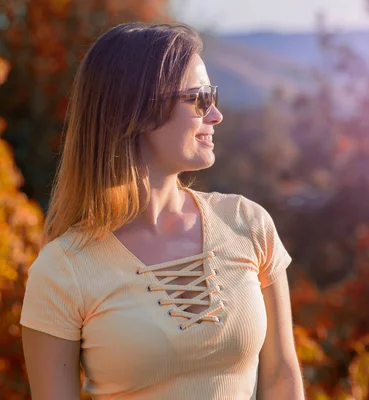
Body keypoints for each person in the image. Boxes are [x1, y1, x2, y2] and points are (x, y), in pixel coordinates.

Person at [20, 22, 304, 400]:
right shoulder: (63, 269)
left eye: (212, 95)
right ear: (137, 110)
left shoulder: (247, 224)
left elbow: (283, 378)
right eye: (199, 98)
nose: (215, 114)